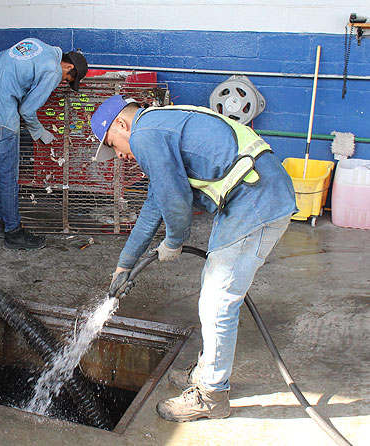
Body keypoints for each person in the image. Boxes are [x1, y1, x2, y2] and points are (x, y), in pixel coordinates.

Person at [93, 96, 297, 422]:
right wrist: (124, 265)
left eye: (113, 144)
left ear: (121, 124)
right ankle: (207, 374)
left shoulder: (145, 133)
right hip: (254, 197)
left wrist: (174, 241)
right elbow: (154, 206)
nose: (118, 154)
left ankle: (212, 395)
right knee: (213, 292)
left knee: (218, 301)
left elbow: (175, 202)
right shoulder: (159, 125)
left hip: (257, 202)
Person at [0, 38, 88, 250]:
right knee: (9, 175)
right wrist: (40, 132)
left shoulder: (34, 44)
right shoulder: (53, 70)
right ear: (68, 66)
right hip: (1, 115)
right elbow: (27, 110)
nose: (63, 81)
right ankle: (13, 233)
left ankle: (0, 223)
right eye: (68, 78)